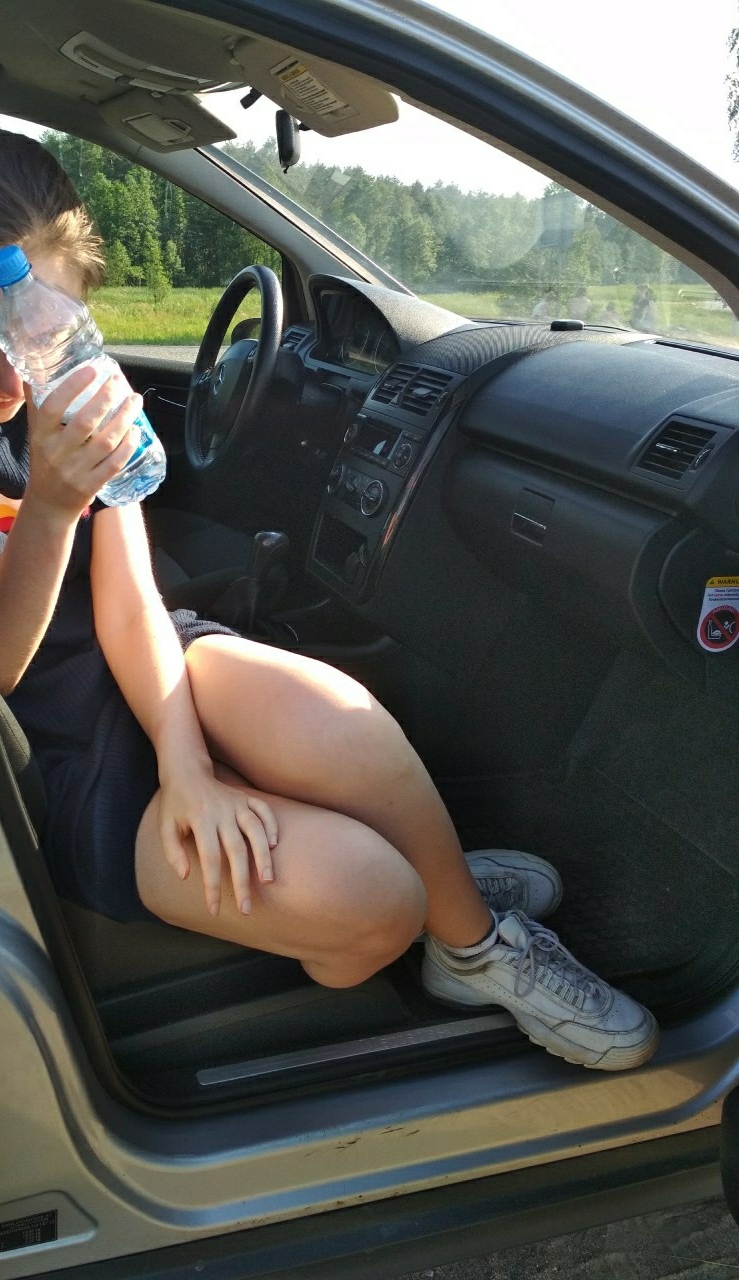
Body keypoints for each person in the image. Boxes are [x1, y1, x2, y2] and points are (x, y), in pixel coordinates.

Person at [0, 129, 658, 1071]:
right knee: (372, 903)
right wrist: (52, 506)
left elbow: (130, 595)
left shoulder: (61, 398)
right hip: (50, 757)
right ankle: (425, 895)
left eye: (43, 330)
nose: (18, 370)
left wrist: (188, 764)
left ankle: (469, 943)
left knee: (337, 715)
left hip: (137, 661)